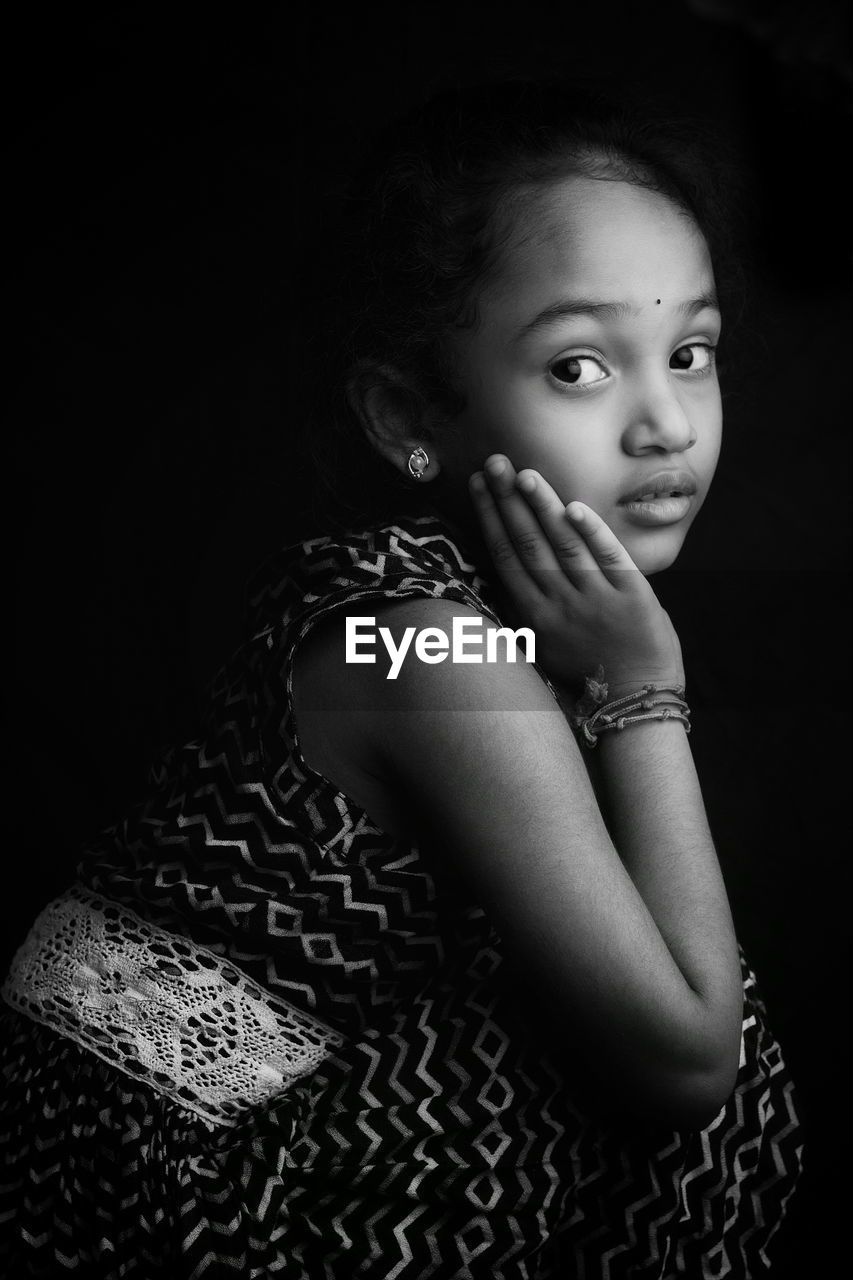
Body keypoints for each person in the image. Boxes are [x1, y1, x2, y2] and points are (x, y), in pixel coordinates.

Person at [1, 80, 803, 1278]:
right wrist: (647, 688)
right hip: (134, 1183)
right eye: (580, 366)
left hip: (179, 1123)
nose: (666, 425)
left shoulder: (461, 620)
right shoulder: (434, 646)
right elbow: (688, 1063)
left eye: (689, 352)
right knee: (678, 1043)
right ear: (406, 413)